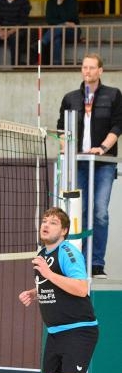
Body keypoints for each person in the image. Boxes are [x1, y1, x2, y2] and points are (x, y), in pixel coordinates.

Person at [57, 53, 122, 279]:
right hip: (79, 163)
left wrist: (102, 148)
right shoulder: (71, 98)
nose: (88, 71)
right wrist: (65, 146)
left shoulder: (113, 95)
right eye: (84, 67)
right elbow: (61, 127)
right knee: (79, 211)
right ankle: (80, 262)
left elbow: (118, 125)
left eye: (92, 67)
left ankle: (97, 264)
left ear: (100, 71)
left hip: (103, 163)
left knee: (100, 212)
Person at [18, 207, 99, 373]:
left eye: (53, 223)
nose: (46, 225)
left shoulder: (67, 252)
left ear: (64, 231)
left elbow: (81, 288)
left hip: (78, 330)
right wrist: (34, 293)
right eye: (44, 221)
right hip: (55, 332)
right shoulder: (42, 254)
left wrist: (48, 274)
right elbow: (54, 286)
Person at [40, 0, 80, 65]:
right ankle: (56, 64)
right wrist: (65, 23)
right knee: (56, 38)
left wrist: (60, 4)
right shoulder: (51, 1)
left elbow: (71, 18)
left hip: (72, 31)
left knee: (60, 28)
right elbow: (49, 20)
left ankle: (42, 43)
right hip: (55, 32)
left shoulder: (73, 1)